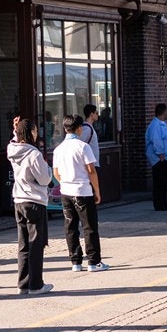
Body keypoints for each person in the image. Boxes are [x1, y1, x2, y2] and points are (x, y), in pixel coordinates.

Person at [6, 120, 54, 295]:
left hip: (19, 199)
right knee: (36, 243)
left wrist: (15, 131)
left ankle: (23, 284)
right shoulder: (33, 154)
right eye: (34, 130)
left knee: (23, 243)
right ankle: (36, 284)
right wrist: (49, 171)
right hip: (34, 199)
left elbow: (13, 141)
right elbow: (44, 179)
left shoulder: (13, 150)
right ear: (31, 133)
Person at [54, 115, 105, 271]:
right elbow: (91, 171)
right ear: (79, 128)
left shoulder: (58, 149)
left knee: (71, 227)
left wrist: (64, 182)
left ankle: (75, 261)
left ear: (64, 128)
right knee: (89, 227)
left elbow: (56, 173)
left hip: (66, 191)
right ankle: (93, 261)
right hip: (82, 190)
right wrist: (97, 191)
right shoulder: (83, 147)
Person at [145, 102, 167, 211]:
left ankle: (164, 202)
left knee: (164, 182)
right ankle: (159, 204)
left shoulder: (162, 124)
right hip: (160, 158)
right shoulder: (155, 125)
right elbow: (157, 141)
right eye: (166, 111)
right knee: (160, 182)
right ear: (163, 112)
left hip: (165, 158)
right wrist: (160, 154)